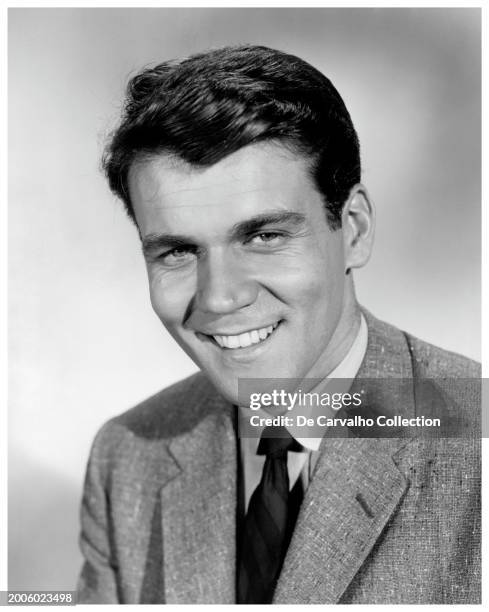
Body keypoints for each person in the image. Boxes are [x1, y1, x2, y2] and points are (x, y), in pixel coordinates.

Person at [77, 45, 480, 604]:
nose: (220, 297)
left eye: (264, 237)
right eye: (177, 251)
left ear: (355, 230)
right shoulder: (128, 457)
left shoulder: (475, 450)